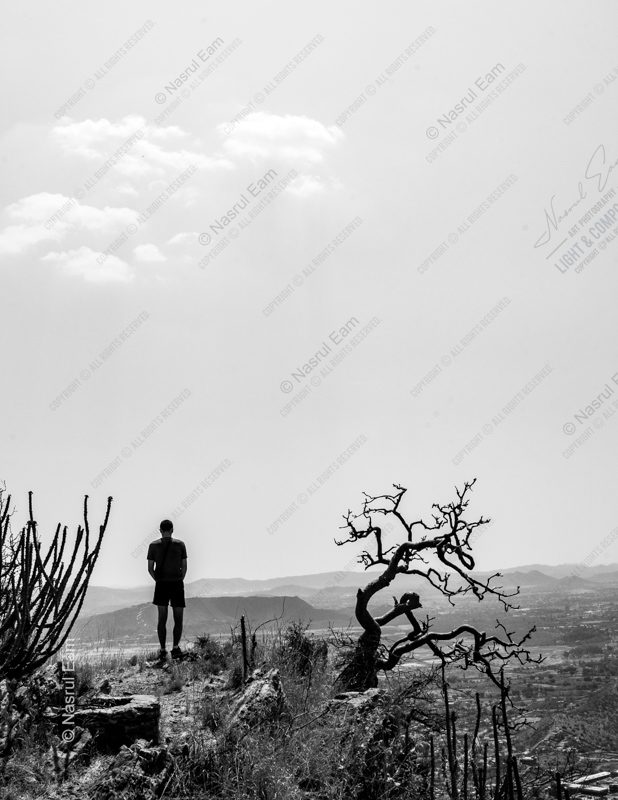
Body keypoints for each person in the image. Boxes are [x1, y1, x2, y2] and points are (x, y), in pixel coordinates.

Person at [147, 519, 187, 662]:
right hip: (177, 583)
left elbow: (150, 569)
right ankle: (175, 648)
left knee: (162, 619)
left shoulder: (153, 545)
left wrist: (158, 580)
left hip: (161, 585)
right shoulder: (180, 544)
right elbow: (184, 566)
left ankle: (163, 650)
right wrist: (179, 579)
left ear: (160, 530)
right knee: (178, 619)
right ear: (172, 530)